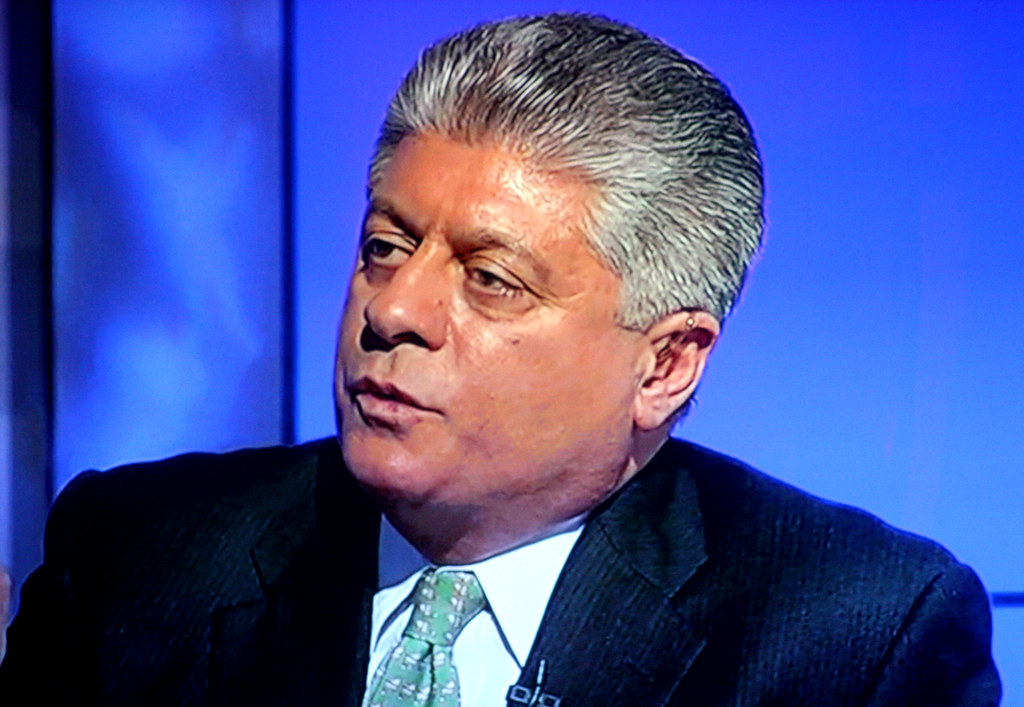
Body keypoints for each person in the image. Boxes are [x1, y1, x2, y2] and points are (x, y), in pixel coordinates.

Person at [0, 12, 1000, 706]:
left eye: (490, 279)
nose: (394, 309)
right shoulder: (136, 558)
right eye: (384, 245)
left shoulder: (855, 638)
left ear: (666, 364)